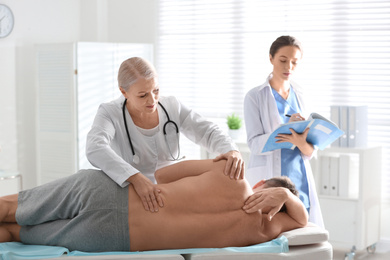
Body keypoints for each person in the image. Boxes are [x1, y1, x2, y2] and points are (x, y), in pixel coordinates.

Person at [0, 159, 308, 252]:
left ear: (260, 185)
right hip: (112, 236)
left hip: (108, 193)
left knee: (11, 208)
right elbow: (302, 221)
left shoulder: (233, 174)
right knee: (14, 233)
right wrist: (288, 198)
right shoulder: (264, 228)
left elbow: (161, 174)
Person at [86, 57, 245, 213]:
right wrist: (135, 177)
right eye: (143, 95)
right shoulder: (110, 113)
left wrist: (231, 150)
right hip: (133, 192)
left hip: (172, 190)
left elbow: (207, 131)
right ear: (124, 92)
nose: (152, 100)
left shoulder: (171, 106)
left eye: (156, 90)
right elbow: (95, 147)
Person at [243, 35, 323, 228]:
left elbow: (310, 150)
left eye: (294, 62)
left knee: (303, 230)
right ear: (271, 58)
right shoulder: (255, 96)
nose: (289, 67)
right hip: (271, 175)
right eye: (283, 60)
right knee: (271, 230)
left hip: (299, 175)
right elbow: (254, 144)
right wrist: (284, 132)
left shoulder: (301, 95)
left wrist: (300, 141)